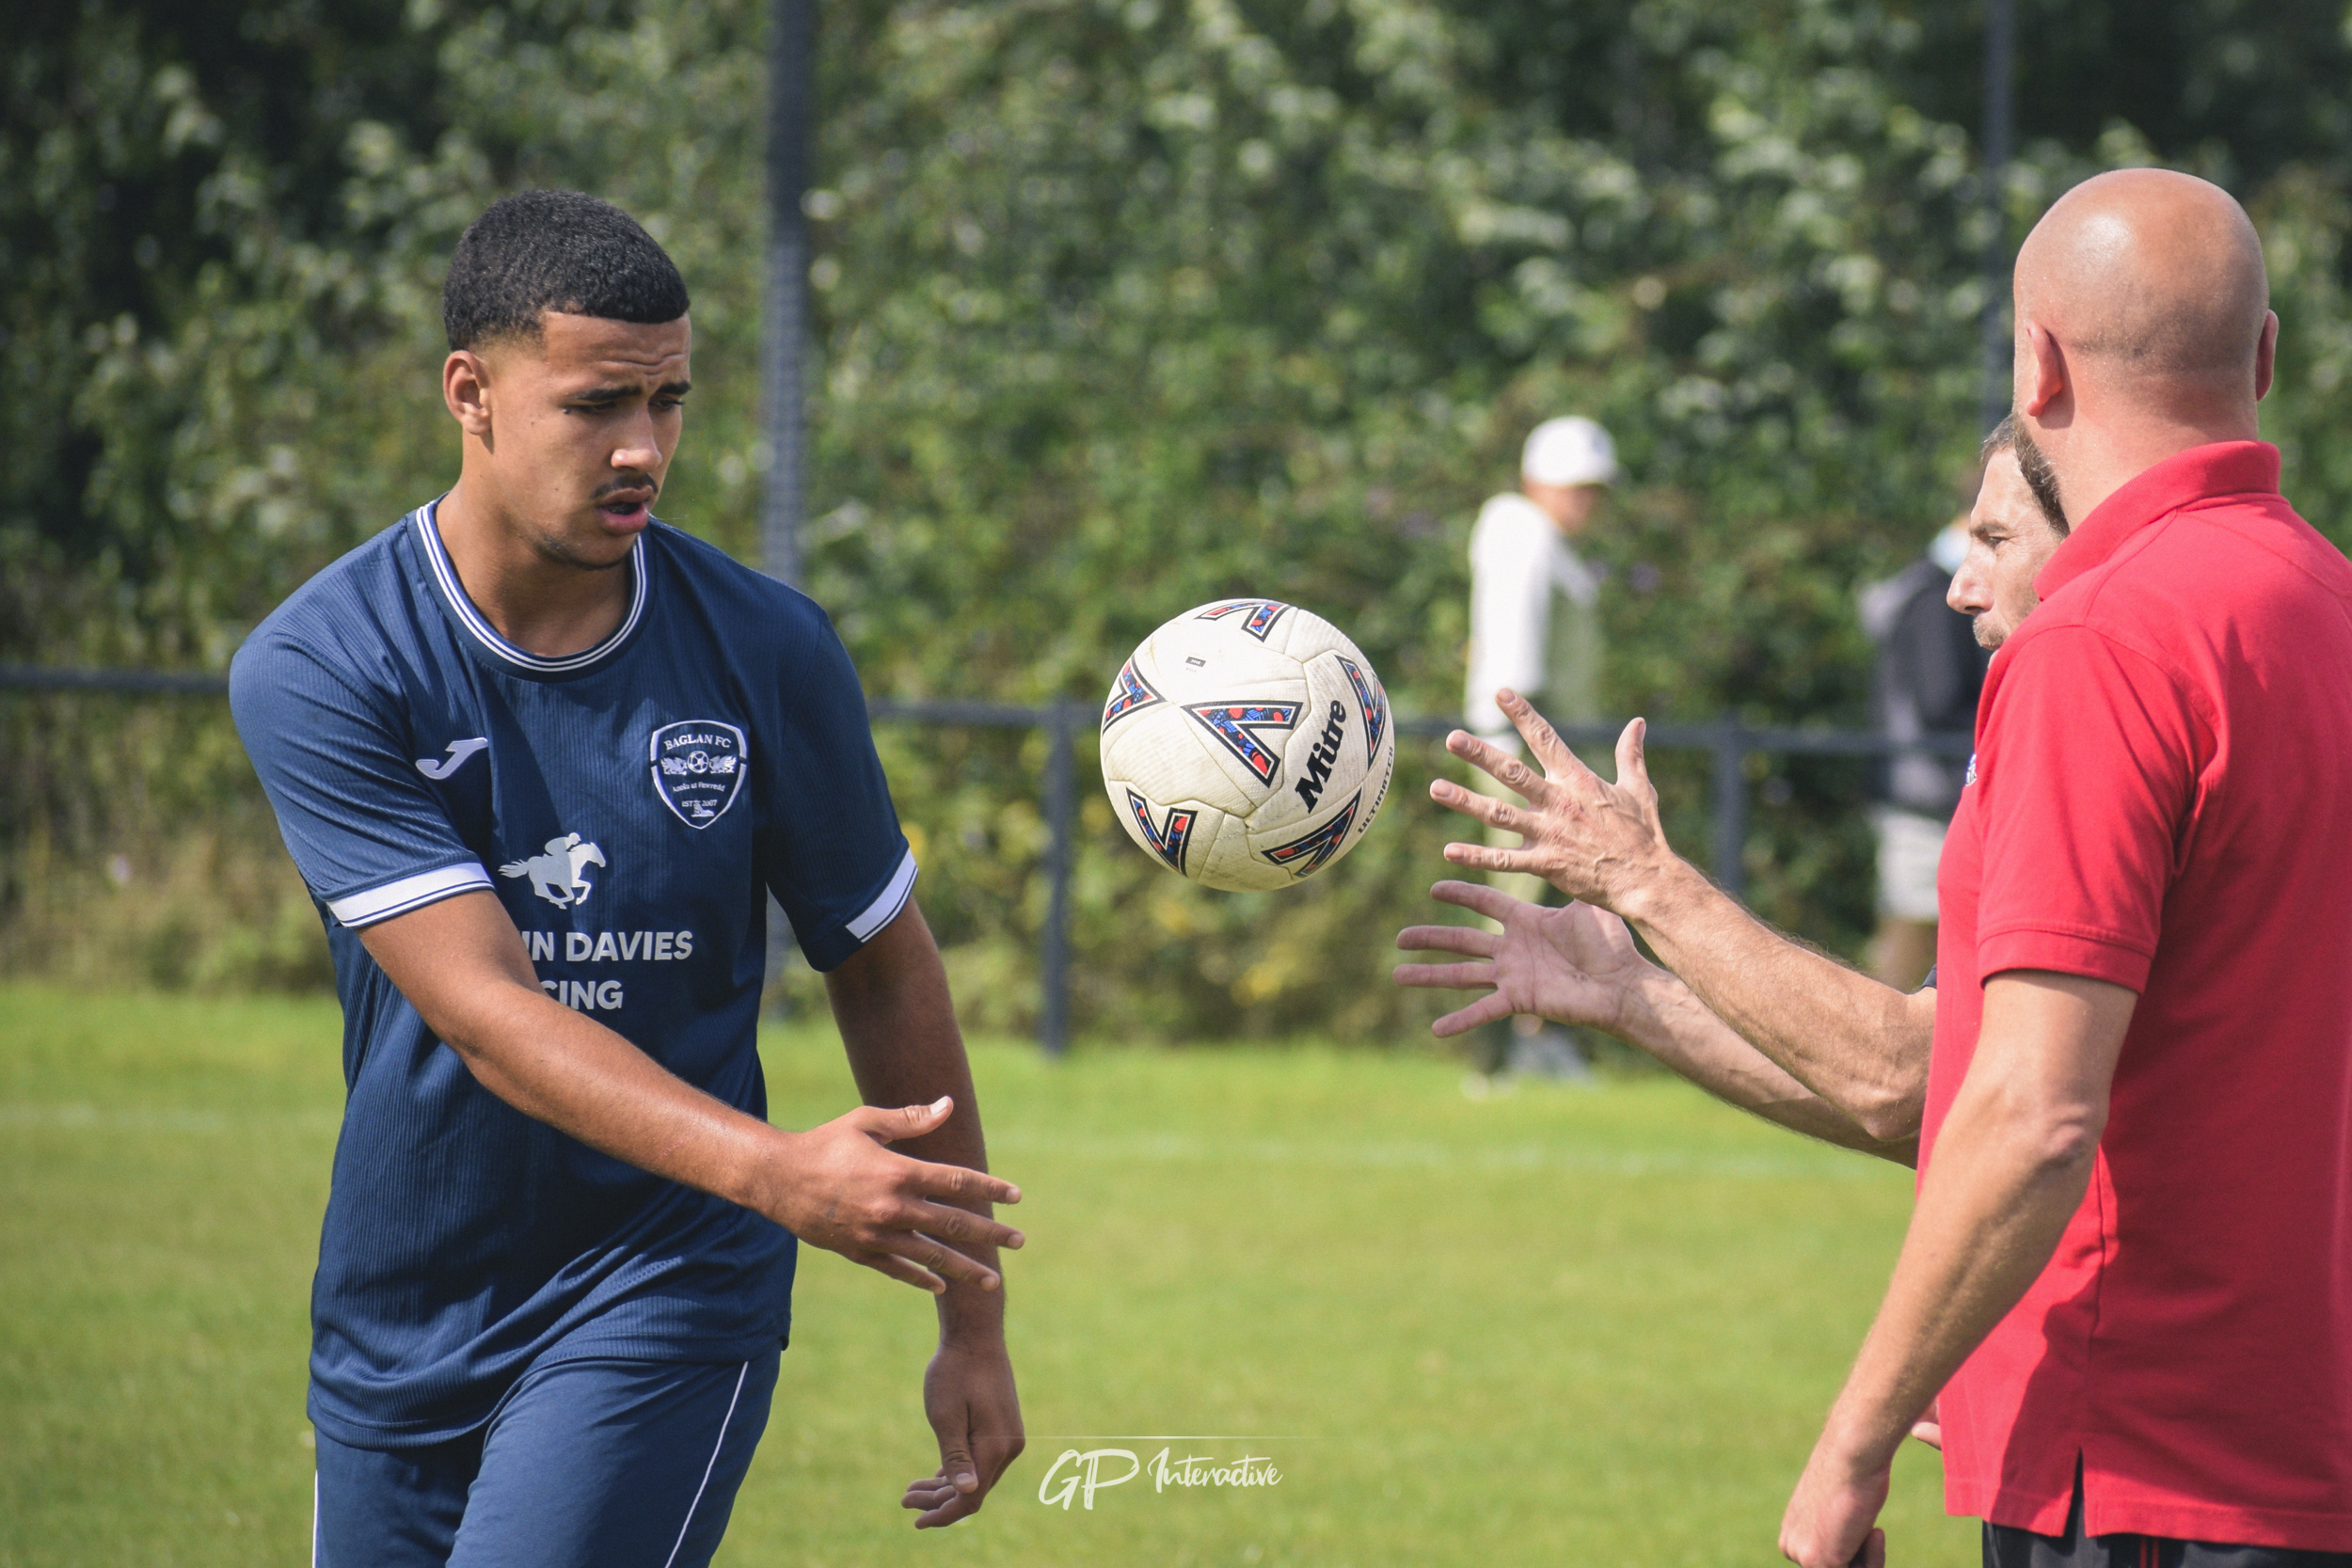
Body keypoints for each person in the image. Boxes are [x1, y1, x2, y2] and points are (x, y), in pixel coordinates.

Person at [1400, 166, 2352, 1568]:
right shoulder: (2324, 603)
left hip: (2146, 1470)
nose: (1971, 578)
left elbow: (2012, 1109)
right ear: (2267, 357)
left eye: (1989, 538)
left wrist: (1854, 1434)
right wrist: (1640, 986)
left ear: (2038, 363)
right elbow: (1945, 1076)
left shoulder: (2099, 645)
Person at [230, 190, 1025, 1566]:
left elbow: (884, 957)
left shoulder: (768, 646)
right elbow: (485, 1011)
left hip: (666, 1284)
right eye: (598, 403)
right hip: (401, 1306)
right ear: (469, 392)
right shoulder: (326, 661)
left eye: (670, 399)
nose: (644, 446)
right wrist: (779, 1166)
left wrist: (973, 1321)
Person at [1462, 415, 1618, 1076]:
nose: (1584, 499)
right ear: (1534, 481)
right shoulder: (1521, 534)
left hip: (1538, 742)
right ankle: (1500, 1050)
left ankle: (1529, 1036)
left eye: (1592, 488)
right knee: (1519, 896)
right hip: (1526, 746)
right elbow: (1517, 659)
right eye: (1571, 485)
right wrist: (1533, 750)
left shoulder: (1541, 537)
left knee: (1538, 893)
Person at [1858, 499, 1987, 990]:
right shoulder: (1936, 597)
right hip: (1927, 793)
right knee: (1910, 928)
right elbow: (1940, 702)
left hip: (1926, 788)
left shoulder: (1923, 588)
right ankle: (1865, 1050)